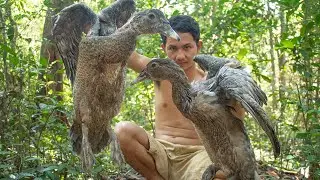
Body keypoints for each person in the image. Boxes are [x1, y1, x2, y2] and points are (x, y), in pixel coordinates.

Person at [115, 15, 245, 180]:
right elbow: (125, 52)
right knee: (122, 131)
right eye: (173, 48)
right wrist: (94, 25)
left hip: (198, 157)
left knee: (222, 174)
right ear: (164, 48)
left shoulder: (212, 82)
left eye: (187, 47)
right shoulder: (158, 71)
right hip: (161, 153)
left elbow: (238, 119)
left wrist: (235, 90)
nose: (180, 56)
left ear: (198, 46)